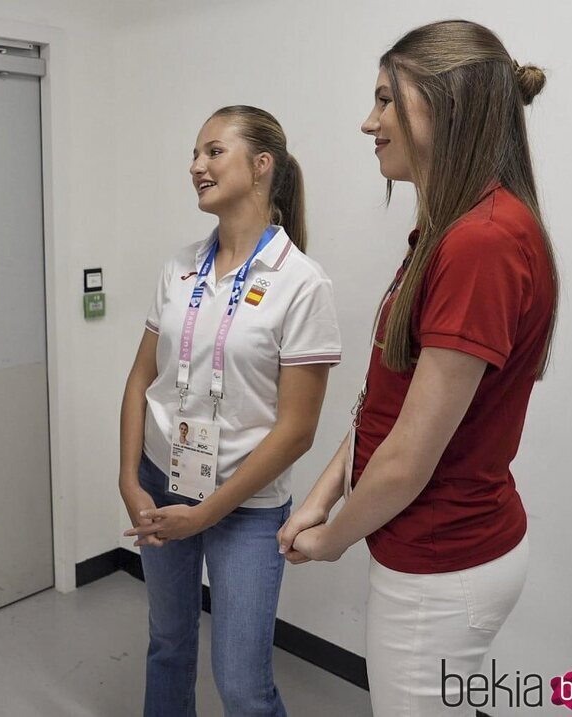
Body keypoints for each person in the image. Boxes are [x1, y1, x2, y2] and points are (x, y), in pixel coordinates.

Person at [277, 20, 558, 716]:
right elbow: (389, 402)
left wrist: (331, 539)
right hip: (444, 551)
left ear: (448, 105)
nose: (367, 122)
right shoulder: (456, 229)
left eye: (384, 101)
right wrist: (323, 492)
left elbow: (407, 457)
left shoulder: (482, 243)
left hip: (442, 563)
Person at [121, 105, 342, 716]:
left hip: (245, 507)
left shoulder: (302, 283)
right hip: (159, 484)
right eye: (194, 154)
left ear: (262, 165)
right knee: (167, 644)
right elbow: (142, 377)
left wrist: (208, 512)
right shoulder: (179, 266)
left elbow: (298, 430)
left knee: (242, 683)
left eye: (213, 151)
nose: (196, 166)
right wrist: (127, 479)